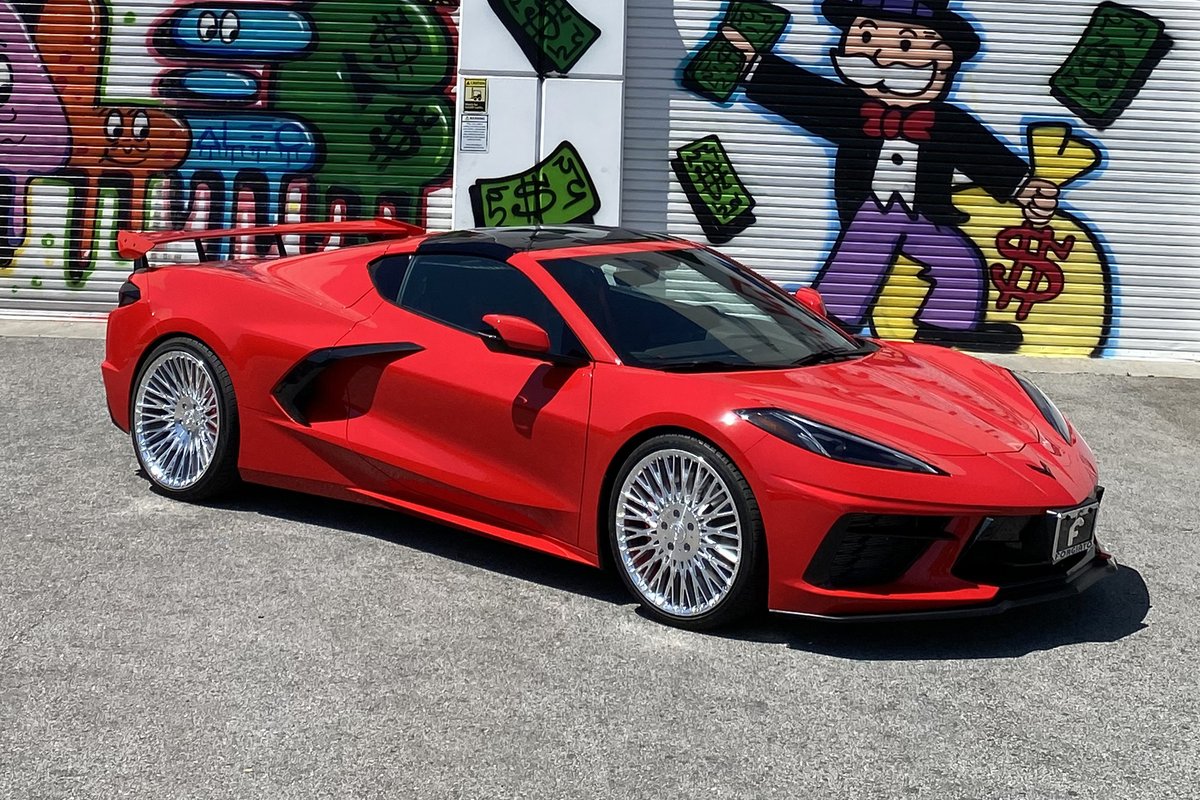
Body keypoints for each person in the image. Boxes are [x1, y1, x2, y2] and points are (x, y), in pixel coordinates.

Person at [721, 0, 1059, 351]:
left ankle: (946, 326)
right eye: (865, 37)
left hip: (925, 215)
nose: (881, 57)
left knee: (960, 261)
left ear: (944, 59)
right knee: (860, 255)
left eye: (906, 45)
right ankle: (830, 322)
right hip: (872, 209)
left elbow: (982, 154)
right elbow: (803, 95)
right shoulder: (852, 110)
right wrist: (754, 63)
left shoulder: (948, 122)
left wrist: (1026, 189)